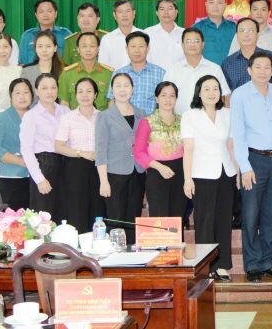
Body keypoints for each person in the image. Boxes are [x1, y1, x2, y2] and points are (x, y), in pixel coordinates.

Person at [231, 53, 272, 283]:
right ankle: (252, 264)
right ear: (249, 70)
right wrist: (244, 167)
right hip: (254, 161)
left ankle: (267, 261)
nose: (263, 71)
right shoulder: (240, 95)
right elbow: (237, 134)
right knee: (251, 214)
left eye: (267, 67)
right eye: (258, 67)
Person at [181, 75, 237, 283]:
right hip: (201, 174)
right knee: (204, 221)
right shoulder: (190, 115)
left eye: (215, 88)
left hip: (226, 173)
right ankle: (205, 266)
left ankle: (222, 265)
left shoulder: (227, 114)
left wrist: (238, 171)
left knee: (224, 219)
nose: (212, 92)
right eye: (207, 89)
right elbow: (188, 149)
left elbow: (231, 145)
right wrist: (187, 179)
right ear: (199, 92)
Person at [96, 73, 146, 244]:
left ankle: (132, 252)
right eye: (118, 85)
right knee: (116, 217)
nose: (123, 89)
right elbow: (100, 150)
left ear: (132, 89)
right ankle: (115, 255)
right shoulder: (105, 116)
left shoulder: (141, 114)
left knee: (134, 217)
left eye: (126, 85)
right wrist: (103, 181)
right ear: (112, 90)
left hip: (138, 172)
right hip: (114, 174)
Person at [54, 78, 105, 233]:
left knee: (98, 207)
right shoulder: (68, 118)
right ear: (75, 95)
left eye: (89, 91)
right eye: (80, 91)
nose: (85, 95)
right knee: (76, 208)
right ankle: (77, 244)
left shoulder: (103, 117)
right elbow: (58, 147)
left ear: (95, 94)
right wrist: (81, 153)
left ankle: (97, 243)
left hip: (99, 167)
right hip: (75, 167)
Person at [20, 73, 70, 221]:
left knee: (64, 212)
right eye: (44, 88)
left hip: (66, 165)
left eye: (53, 87)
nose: (49, 92)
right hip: (44, 165)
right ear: (36, 91)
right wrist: (39, 178)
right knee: (43, 215)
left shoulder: (66, 111)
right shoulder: (31, 115)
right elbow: (26, 150)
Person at [134, 82, 186, 217]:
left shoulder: (184, 121)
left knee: (178, 215)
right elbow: (138, 152)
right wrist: (160, 167)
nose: (168, 99)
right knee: (159, 216)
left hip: (180, 171)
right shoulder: (147, 121)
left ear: (176, 99)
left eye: (172, 96)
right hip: (156, 171)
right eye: (163, 95)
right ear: (156, 98)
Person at [0, 78, 33, 209]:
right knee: (16, 216)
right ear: (10, 96)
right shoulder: (1, 118)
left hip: (36, 176)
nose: (22, 96)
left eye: (26, 92)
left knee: (36, 216)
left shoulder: (37, 116)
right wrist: (22, 161)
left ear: (32, 95)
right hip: (11, 175)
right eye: (17, 93)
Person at [162, 28, 231, 114]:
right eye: (188, 41)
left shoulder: (214, 69)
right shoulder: (173, 70)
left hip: (208, 120)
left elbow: (224, 96)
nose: (192, 44)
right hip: (179, 120)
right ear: (182, 45)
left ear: (203, 44)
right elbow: (164, 97)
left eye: (196, 41)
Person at [222, 18, 272, 91]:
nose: (246, 34)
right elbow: (226, 93)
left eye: (250, 30)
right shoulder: (228, 62)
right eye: (241, 31)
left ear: (258, 35)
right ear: (237, 35)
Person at [109, 32, 165, 114]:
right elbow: (112, 101)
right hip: (124, 121)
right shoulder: (118, 74)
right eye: (133, 46)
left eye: (141, 46)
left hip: (151, 121)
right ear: (126, 49)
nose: (137, 50)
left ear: (148, 48)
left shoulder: (160, 73)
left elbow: (165, 101)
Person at [58, 32, 112, 110]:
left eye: (92, 46)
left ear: (98, 49)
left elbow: (111, 102)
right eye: (84, 46)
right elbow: (64, 103)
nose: (88, 50)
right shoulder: (67, 74)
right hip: (75, 117)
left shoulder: (108, 73)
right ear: (78, 49)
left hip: (101, 117)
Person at [19, 0, 71, 64]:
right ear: (36, 15)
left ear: (56, 14)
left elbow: (72, 61)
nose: (45, 15)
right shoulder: (27, 36)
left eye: (49, 11)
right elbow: (22, 62)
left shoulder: (65, 34)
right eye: (41, 12)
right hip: (33, 70)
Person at [192, 0, 237, 64]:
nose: (215, 6)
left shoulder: (234, 28)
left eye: (219, 3)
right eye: (211, 2)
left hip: (231, 69)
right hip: (205, 70)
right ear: (206, 4)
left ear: (225, 5)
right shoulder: (196, 28)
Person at [99, 0, 143, 70]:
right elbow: (103, 67)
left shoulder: (144, 36)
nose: (124, 15)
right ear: (114, 15)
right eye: (120, 12)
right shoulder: (107, 39)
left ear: (134, 13)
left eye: (128, 11)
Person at [145, 0, 185, 71]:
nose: (166, 12)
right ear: (157, 13)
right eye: (162, 9)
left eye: (170, 8)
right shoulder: (147, 33)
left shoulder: (184, 34)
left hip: (179, 76)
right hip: (155, 76)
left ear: (176, 12)